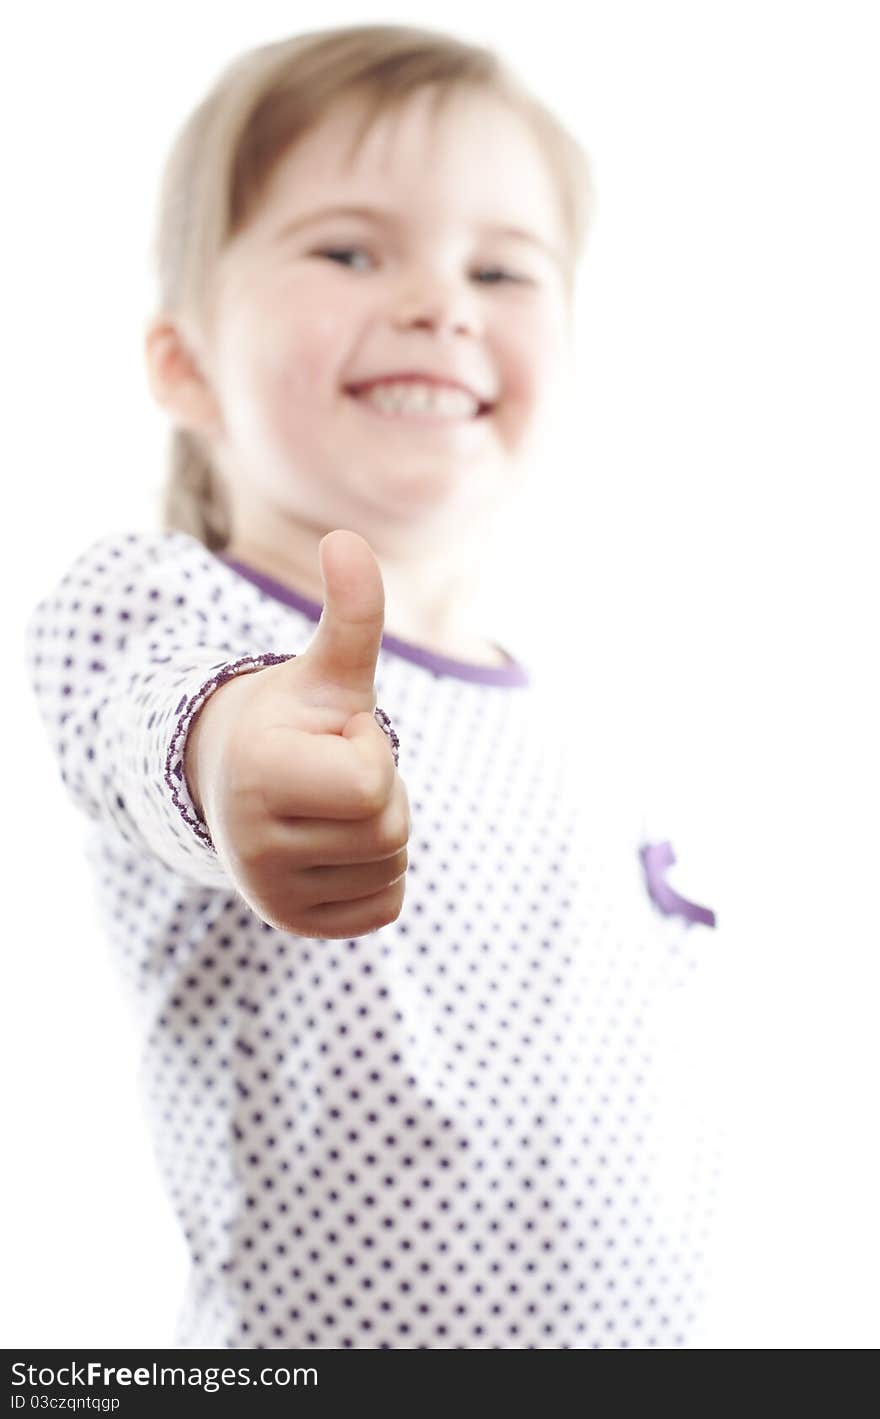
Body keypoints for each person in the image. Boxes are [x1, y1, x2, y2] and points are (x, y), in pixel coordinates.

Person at [23, 23, 720, 1349]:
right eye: (349, 250)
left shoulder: (584, 718)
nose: (442, 304)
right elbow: (143, 714)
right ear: (184, 362)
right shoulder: (176, 607)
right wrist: (235, 757)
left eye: (503, 269)